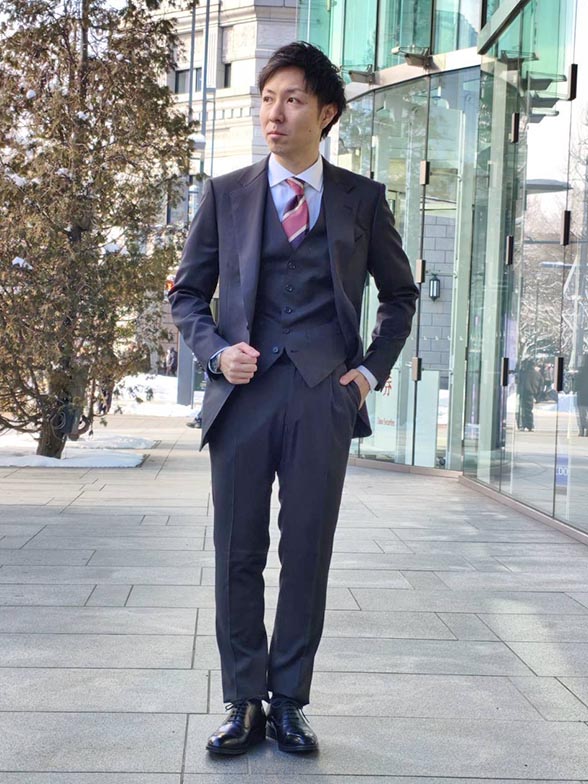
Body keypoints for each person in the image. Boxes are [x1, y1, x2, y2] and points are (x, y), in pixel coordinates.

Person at [169, 41, 418, 757]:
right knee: (238, 552)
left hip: (321, 399)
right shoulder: (226, 193)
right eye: (267, 99)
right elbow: (187, 294)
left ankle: (288, 703)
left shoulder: (361, 199)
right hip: (241, 399)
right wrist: (216, 352)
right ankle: (242, 701)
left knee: (307, 551)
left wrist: (367, 374)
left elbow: (400, 296)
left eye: (292, 100)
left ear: (326, 112)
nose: (274, 114)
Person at [575, 354, 588, 436]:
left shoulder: (581, 371)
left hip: (582, 396)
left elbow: (576, 384)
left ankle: (582, 429)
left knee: (582, 415)